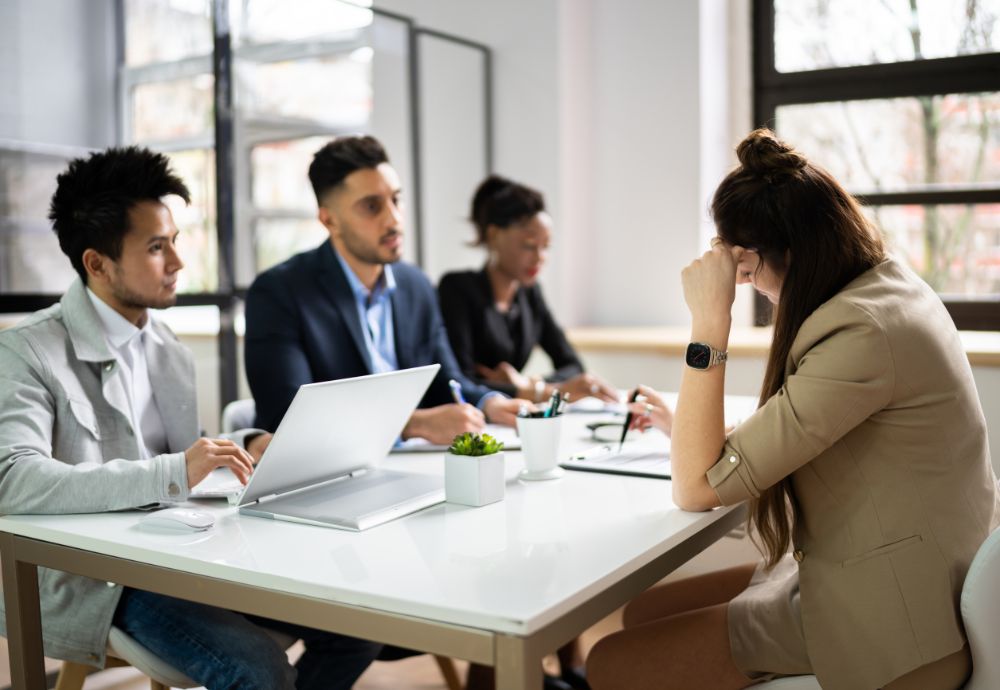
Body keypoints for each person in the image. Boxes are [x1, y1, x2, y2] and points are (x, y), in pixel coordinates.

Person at [586, 129, 999, 690]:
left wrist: (709, 324)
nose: (751, 289)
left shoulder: (860, 332)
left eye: (748, 274)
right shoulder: (884, 289)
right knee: (644, 613)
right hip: (915, 578)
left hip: (898, 626)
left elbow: (695, 488)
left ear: (781, 254)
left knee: (610, 661)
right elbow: (807, 423)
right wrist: (683, 427)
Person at [0, 147, 382, 690]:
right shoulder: (28, 352)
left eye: (174, 241)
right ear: (97, 263)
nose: (177, 263)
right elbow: (12, 481)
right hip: (102, 580)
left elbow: (180, 452)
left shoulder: (166, 347)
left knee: (356, 626)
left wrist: (249, 444)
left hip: (182, 551)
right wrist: (175, 470)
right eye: (157, 248)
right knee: (258, 670)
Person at [245, 136, 526, 443]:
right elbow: (286, 416)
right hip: (329, 479)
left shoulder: (415, 285)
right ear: (330, 220)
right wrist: (411, 424)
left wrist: (490, 403)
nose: (394, 218)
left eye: (396, 199)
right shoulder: (278, 292)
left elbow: (447, 381)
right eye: (371, 206)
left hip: (411, 468)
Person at [438, 175, 617, 405]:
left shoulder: (530, 295)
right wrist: (534, 391)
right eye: (529, 245)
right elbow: (459, 383)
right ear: (493, 235)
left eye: (546, 247)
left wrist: (528, 385)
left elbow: (572, 365)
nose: (540, 257)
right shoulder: (458, 289)